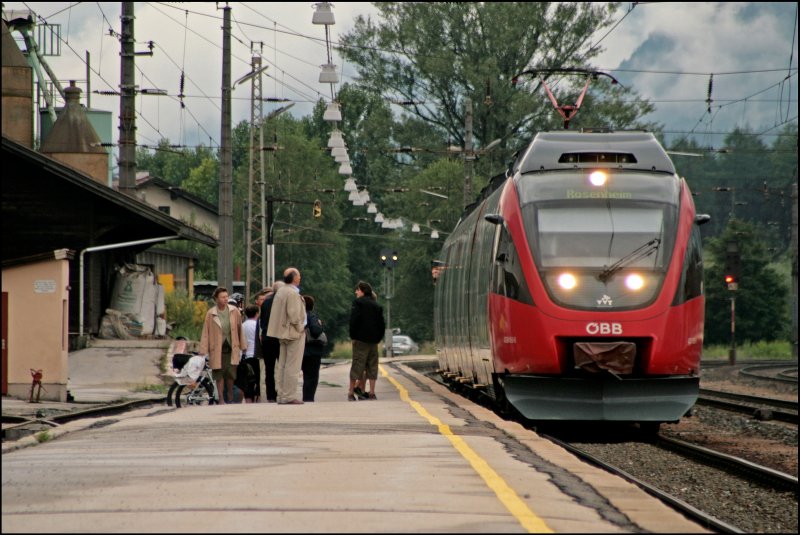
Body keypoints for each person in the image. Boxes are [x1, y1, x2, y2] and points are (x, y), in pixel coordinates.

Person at [199, 287, 246, 404]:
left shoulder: (234, 311)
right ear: (216, 299)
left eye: (226, 296)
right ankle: (221, 398)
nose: (225, 299)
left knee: (230, 373)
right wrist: (203, 349)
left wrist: (243, 345)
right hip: (217, 347)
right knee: (218, 373)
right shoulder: (211, 314)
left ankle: (230, 394)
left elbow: (240, 329)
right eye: (222, 297)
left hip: (231, 346)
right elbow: (206, 332)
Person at [266, 268, 306, 405]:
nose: (300, 278)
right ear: (294, 278)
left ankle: (281, 394)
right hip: (293, 333)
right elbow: (294, 315)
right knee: (292, 366)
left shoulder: (281, 291)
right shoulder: (292, 293)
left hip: (281, 333)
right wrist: (301, 327)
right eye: (299, 275)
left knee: (282, 364)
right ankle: (289, 395)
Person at [348, 281, 385, 401]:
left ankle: (351, 392)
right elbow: (381, 325)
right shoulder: (377, 306)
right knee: (372, 366)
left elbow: (354, 321)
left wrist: (353, 336)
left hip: (360, 340)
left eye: (357, 290)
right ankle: (372, 392)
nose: (356, 292)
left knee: (357, 365)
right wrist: (378, 338)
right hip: (373, 341)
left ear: (362, 291)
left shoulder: (358, 303)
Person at [260, 281, 284, 402]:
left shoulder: (265, 303)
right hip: (279, 337)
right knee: (282, 366)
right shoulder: (282, 302)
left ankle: (270, 395)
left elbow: (262, 320)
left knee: (269, 368)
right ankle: (283, 392)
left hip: (267, 338)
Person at [301, 295, 328, 402]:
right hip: (312, 351)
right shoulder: (311, 316)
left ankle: (304, 397)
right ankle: (308, 398)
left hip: (300, 351)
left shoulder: (298, 316)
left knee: (304, 376)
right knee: (311, 377)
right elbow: (316, 331)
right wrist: (320, 325)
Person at [236, 304, 261, 403]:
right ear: (257, 313)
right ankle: (258, 399)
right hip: (256, 355)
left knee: (248, 380)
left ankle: (248, 400)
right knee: (258, 379)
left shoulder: (243, 325)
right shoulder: (257, 325)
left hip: (245, 356)